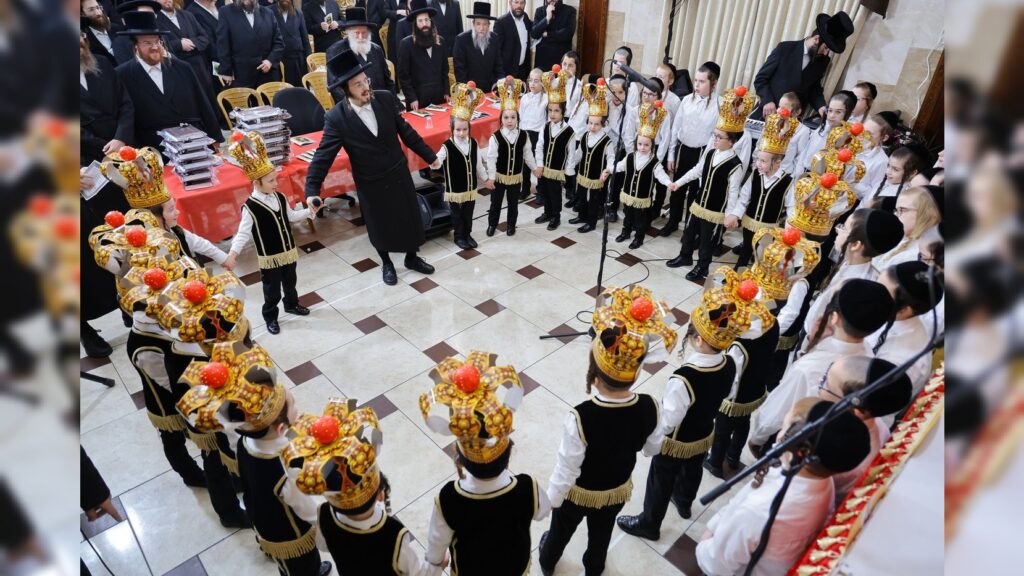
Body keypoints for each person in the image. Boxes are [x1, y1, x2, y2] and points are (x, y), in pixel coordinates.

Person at [617, 272, 770, 540]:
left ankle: (649, 522)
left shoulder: (683, 378)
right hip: (704, 433)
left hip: (677, 441)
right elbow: (728, 392)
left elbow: (669, 420)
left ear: (698, 340)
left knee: (660, 479)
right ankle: (685, 502)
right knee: (692, 470)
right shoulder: (730, 362)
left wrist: (651, 440)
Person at [539, 286, 678, 576]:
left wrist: (553, 499)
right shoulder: (651, 406)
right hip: (616, 489)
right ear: (636, 372)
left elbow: (567, 467)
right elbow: (651, 448)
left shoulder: (579, 416)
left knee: (560, 530)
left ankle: (548, 559)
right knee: (601, 535)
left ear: (596, 375)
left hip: (579, 493)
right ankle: (594, 568)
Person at [178, 346, 332, 576]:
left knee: (287, 565)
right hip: (290, 531)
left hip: (261, 516)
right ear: (281, 428)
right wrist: (326, 534)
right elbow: (308, 510)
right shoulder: (287, 468)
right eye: (295, 408)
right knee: (302, 566)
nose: (300, 411)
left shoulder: (245, 442)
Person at [304, 50, 441, 286]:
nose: (365, 87)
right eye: (357, 85)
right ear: (345, 90)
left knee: (409, 218)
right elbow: (323, 156)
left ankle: (411, 258)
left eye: (365, 80)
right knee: (380, 226)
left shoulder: (385, 98)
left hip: (398, 172)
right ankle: (387, 263)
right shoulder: (336, 118)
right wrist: (312, 189)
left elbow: (406, 132)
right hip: (371, 181)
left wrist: (431, 157)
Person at [696, 399, 871, 576]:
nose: (781, 432)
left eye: (785, 427)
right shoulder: (823, 481)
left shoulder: (759, 510)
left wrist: (706, 539)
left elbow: (716, 564)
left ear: (800, 449)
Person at [420, 352, 548, 575]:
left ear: (459, 458)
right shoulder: (528, 487)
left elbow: (435, 546)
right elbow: (543, 512)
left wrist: (436, 562)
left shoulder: (448, 499)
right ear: (508, 450)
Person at [282, 400, 431, 575]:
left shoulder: (324, 514)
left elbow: (323, 546)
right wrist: (437, 565)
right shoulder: (394, 535)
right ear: (381, 495)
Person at [748, 278, 894, 453]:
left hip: (792, 440)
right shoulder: (868, 357)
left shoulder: (808, 368)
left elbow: (772, 417)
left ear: (835, 317)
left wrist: (756, 439)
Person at [223, 132, 312, 335]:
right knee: (271, 290)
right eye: (271, 181)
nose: (276, 184)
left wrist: (310, 212)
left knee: (291, 281)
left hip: (288, 251)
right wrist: (233, 254)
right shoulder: (250, 207)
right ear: (257, 183)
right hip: (270, 258)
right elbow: (243, 234)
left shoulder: (278, 196)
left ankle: (291, 304)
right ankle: (270, 315)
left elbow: (291, 217)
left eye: (275, 179)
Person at [80, 37, 135, 357]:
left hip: (112, 165)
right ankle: (83, 327)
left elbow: (125, 103)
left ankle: (128, 301)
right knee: (83, 255)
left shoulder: (101, 64)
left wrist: (119, 138)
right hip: (74, 171)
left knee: (123, 237)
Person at [666, 86, 754, 280]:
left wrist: (730, 214)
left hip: (715, 211)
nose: (714, 139)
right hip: (699, 204)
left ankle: (702, 267)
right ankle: (685, 256)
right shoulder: (711, 153)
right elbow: (697, 170)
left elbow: (733, 191)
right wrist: (678, 183)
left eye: (719, 137)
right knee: (689, 233)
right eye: (714, 135)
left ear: (731, 141)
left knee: (707, 240)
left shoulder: (735, 164)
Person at [114, 9, 223, 150]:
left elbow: (203, 103)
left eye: (157, 42)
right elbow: (126, 115)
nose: (154, 47)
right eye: (147, 43)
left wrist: (215, 136)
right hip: (155, 146)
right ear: (135, 46)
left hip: (193, 139)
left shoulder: (182, 67)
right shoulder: (123, 74)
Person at [799, 208, 905, 350]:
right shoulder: (847, 262)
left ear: (856, 245)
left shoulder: (855, 287)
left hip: (818, 344)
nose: (838, 231)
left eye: (844, 229)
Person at [817, 356, 912, 502]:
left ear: (856, 410)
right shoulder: (875, 423)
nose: (819, 381)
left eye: (825, 383)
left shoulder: (838, 453)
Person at [727, 111, 799, 268]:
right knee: (746, 249)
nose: (758, 164)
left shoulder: (787, 182)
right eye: (758, 159)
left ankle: (755, 278)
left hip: (769, 229)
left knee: (762, 254)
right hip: (749, 223)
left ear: (778, 163)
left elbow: (791, 207)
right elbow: (744, 198)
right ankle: (738, 274)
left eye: (763, 161)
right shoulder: (755, 175)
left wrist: (789, 231)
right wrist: (735, 214)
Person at [751, 10, 855, 120]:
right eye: (825, 48)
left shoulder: (823, 61)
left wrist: (821, 107)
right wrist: (767, 100)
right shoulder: (785, 49)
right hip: (767, 113)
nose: (825, 53)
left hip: (791, 122)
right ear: (816, 39)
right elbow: (761, 79)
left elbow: (814, 89)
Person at [660, 61, 720, 237]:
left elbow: (714, 136)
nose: (697, 85)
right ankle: (673, 222)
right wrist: (671, 155)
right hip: (683, 150)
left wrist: (704, 161)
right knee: (677, 189)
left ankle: (690, 228)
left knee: (695, 192)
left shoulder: (719, 105)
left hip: (702, 153)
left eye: (702, 82)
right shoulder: (686, 100)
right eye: (695, 80)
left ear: (713, 83)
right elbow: (675, 128)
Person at [871, 260, 944, 399]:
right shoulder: (886, 312)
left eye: (881, 291)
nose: (870, 291)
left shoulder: (902, 360)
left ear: (904, 310)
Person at [608, 102, 672, 249]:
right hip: (628, 195)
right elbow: (620, 166)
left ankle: (639, 237)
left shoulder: (654, 162)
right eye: (640, 144)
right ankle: (626, 231)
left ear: (652, 146)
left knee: (640, 219)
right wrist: (608, 170)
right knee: (627, 214)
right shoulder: (630, 157)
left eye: (646, 145)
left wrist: (669, 183)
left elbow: (661, 176)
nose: (642, 148)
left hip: (642, 199)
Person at [436, 82, 490, 250]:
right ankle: (459, 236)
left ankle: (468, 233)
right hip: (455, 190)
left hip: (470, 188)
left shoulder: (473, 143)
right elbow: (436, 161)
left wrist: (486, 178)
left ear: (469, 128)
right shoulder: (447, 146)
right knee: (457, 214)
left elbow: (478, 165)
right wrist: (434, 162)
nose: (461, 133)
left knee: (468, 213)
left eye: (464, 130)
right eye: (457, 130)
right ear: (451, 128)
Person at [485, 76, 536, 236]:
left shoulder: (523, 135)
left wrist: (534, 168)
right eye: (506, 117)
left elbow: (527, 154)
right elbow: (491, 158)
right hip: (499, 177)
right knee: (496, 203)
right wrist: (491, 177)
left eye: (513, 117)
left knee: (513, 204)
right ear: (501, 119)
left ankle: (511, 225)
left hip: (515, 177)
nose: (509, 121)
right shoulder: (496, 137)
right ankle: (492, 224)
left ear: (517, 119)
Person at [532, 65, 575, 231]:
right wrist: (539, 164)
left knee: (556, 194)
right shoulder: (545, 127)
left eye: (556, 111)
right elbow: (540, 146)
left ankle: (555, 216)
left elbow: (571, 153)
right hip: (545, 168)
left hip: (557, 170)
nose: (552, 114)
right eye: (550, 110)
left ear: (563, 111)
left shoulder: (569, 131)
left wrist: (568, 171)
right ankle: (547, 212)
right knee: (545, 191)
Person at [569, 80, 615, 233]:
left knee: (594, 200)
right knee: (582, 195)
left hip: (596, 177)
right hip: (583, 174)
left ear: (603, 124)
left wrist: (608, 169)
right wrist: (571, 164)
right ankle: (582, 216)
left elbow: (611, 158)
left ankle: (591, 221)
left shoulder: (607, 141)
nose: (592, 127)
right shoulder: (585, 136)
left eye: (596, 124)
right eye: (590, 123)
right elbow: (579, 154)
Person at [325, 6, 397, 99]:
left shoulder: (376, 49)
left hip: (381, 103)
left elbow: (388, 82)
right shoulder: (335, 51)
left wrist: (394, 102)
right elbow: (337, 89)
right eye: (356, 33)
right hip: (356, 106)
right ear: (348, 32)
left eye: (364, 33)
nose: (360, 37)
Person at [155, 0, 215, 104]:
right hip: (178, 71)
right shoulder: (155, 20)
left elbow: (205, 37)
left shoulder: (187, 15)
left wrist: (192, 42)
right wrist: (179, 44)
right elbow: (158, 45)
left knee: (210, 104)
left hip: (200, 70)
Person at [217, 0, 285, 88]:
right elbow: (223, 45)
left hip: (268, 74)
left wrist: (270, 61)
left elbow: (279, 43)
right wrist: (226, 71)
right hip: (242, 75)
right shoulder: (226, 12)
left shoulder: (268, 13)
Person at [872, 186, 943, 270]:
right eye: (896, 210)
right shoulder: (899, 238)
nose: (895, 215)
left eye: (902, 210)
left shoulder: (919, 255)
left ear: (927, 214)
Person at [397, 0, 451, 110]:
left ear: (431, 21)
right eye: (420, 21)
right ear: (415, 24)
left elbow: (445, 70)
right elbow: (404, 76)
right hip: (418, 101)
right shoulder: (406, 44)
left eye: (427, 20)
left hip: (439, 98)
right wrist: (412, 98)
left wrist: (446, 91)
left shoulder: (440, 42)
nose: (424, 24)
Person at [452, 2, 502, 91]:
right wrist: (468, 91)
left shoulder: (494, 38)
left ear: (489, 25)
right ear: (473, 24)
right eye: (478, 24)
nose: (482, 28)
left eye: (485, 24)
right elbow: (460, 71)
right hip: (470, 90)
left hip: (491, 89)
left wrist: (502, 81)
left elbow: (498, 66)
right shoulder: (462, 40)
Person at [864, 144, 929, 211]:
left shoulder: (904, 196)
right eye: (888, 165)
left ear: (912, 173)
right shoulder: (882, 182)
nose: (887, 172)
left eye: (895, 169)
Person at [518, 67, 547, 200]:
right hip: (525, 133)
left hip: (538, 134)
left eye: (536, 81)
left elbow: (546, 120)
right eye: (531, 80)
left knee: (538, 162)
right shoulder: (524, 98)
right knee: (525, 163)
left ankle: (541, 190)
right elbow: (521, 116)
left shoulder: (546, 99)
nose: (532, 84)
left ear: (543, 83)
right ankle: (525, 188)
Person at [273, 0, 312, 87]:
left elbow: (305, 38)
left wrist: (309, 58)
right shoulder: (270, 12)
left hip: (298, 60)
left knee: (300, 89)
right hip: (280, 60)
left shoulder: (298, 13)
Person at [186, 0, 223, 90]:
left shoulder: (217, 6)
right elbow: (209, 44)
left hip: (227, 60)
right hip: (215, 64)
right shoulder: (193, 12)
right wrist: (225, 65)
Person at [529, 0, 575, 72]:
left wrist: (547, 34)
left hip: (561, 61)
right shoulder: (539, 11)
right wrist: (547, 18)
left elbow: (567, 34)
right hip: (542, 61)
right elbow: (534, 34)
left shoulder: (570, 11)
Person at [494, 0, 531, 81]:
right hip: (507, 74)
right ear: (510, 3)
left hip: (523, 72)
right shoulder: (501, 22)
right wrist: (501, 76)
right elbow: (496, 51)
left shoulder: (526, 18)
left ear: (525, 4)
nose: (519, 6)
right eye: (516, 2)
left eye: (522, 3)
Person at [81, 0, 126, 66]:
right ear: (82, 14)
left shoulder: (116, 29)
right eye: (91, 10)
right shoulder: (85, 39)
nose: (98, 13)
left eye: (98, 7)